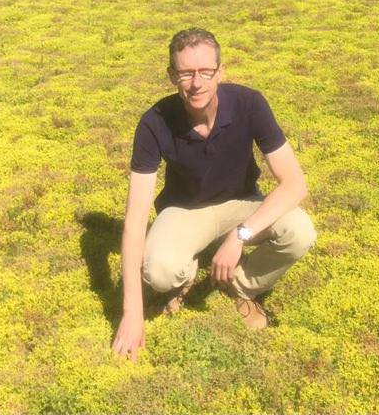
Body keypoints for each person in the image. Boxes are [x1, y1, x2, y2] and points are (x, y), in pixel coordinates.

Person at [111, 28, 316, 361]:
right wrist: (131, 312)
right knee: (160, 270)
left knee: (300, 231)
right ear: (171, 76)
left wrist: (240, 236)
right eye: (185, 73)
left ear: (221, 71)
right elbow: (134, 221)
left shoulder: (250, 104)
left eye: (206, 71)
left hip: (242, 203)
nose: (196, 82)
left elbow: (294, 183)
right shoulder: (153, 123)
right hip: (184, 211)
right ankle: (185, 276)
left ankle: (240, 286)